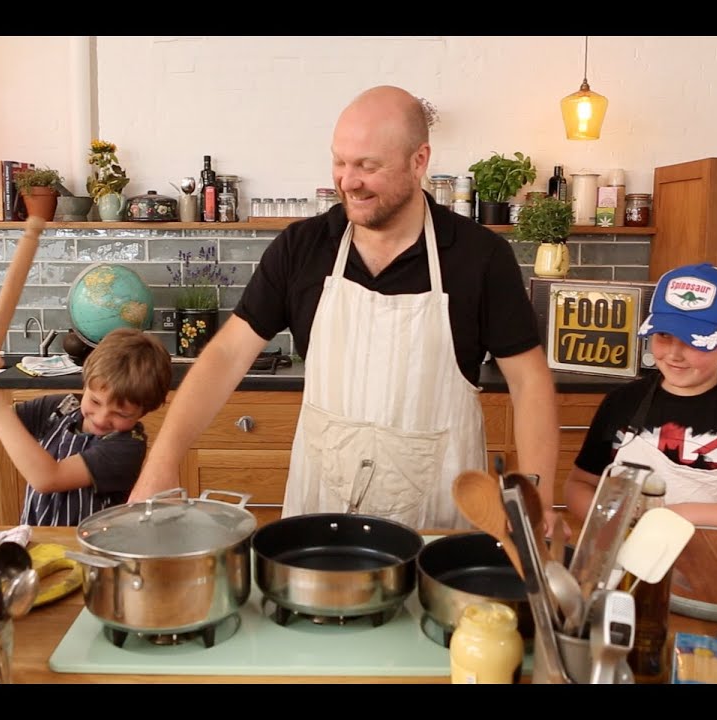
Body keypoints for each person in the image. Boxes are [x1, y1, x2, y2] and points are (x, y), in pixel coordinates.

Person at [129, 85, 560, 530]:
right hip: (320, 519)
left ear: (419, 161)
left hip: (437, 526)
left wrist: (538, 497)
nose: (348, 181)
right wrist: (162, 462)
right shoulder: (301, 248)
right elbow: (225, 357)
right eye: (340, 161)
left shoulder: (479, 257)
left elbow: (528, 381)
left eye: (368, 166)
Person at [563, 263, 717, 536]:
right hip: (629, 552)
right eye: (664, 336)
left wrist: (675, 516)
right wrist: (612, 520)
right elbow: (579, 485)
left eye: (695, 341)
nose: (674, 354)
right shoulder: (622, 402)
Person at [0, 327, 172, 526]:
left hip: (93, 555)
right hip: (40, 541)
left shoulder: (128, 446)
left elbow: (48, 478)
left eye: (121, 413)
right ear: (85, 383)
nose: (102, 417)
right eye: (95, 401)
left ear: (144, 411)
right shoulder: (59, 408)